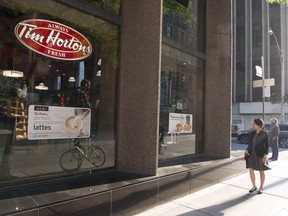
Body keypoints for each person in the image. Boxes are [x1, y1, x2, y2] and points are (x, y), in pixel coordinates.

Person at [244, 118, 270, 194]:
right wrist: (247, 150)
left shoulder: (264, 133)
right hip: (252, 154)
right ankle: (254, 186)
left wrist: (265, 155)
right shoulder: (252, 133)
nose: (253, 125)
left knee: (261, 171)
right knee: (251, 171)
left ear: (258, 125)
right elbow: (250, 144)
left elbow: (267, 146)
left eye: (254, 123)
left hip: (261, 155)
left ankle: (261, 187)